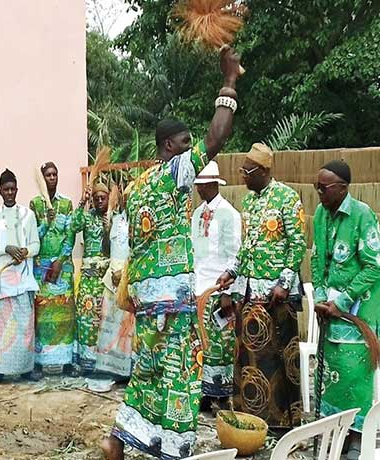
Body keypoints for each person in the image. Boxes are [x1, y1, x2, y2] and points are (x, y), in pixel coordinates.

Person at [101, 47, 242, 460]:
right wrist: (229, 84)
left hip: (147, 301)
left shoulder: (139, 184)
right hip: (170, 302)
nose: (190, 149)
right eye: (183, 142)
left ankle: (119, 437)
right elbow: (217, 138)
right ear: (168, 145)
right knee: (182, 373)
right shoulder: (172, 172)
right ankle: (174, 449)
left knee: (149, 370)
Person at [217, 142, 306, 431]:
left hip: (276, 297)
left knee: (278, 361)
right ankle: (253, 418)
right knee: (251, 360)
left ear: (263, 171)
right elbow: (247, 247)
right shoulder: (250, 202)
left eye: (247, 171)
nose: (242, 176)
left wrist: (284, 282)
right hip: (250, 293)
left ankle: (281, 422)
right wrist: (232, 272)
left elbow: (298, 244)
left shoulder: (287, 198)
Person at [311, 160, 380, 459]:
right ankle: (333, 431)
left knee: (355, 377)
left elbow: (373, 267)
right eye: (317, 187)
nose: (319, 192)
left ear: (342, 188)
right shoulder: (320, 214)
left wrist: (341, 301)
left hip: (358, 312)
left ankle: (356, 436)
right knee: (331, 374)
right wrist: (318, 294)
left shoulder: (362, 215)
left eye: (324, 187)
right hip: (329, 310)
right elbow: (317, 259)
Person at [190, 161, 241, 406]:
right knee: (202, 341)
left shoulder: (230, 214)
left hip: (219, 286)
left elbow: (235, 253)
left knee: (221, 343)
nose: (199, 189)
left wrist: (228, 291)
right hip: (199, 286)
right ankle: (204, 391)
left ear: (212, 184)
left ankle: (220, 394)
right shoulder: (197, 214)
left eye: (202, 185)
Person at [0, 169, 40, 383]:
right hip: (1, 283)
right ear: (0, 191)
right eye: (6, 190)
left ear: (17, 190)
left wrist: (25, 252)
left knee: (25, 325)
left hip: (23, 280)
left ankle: (25, 368)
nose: (10, 193)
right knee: (1, 327)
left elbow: (36, 244)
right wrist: (6, 248)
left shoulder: (28, 215)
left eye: (13, 189)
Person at [29, 162, 76, 376]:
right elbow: (32, 236)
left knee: (64, 314)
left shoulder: (66, 204)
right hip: (41, 268)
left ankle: (66, 361)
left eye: (54, 174)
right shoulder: (35, 205)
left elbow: (71, 233)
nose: (51, 178)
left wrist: (61, 259)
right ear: (43, 178)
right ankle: (39, 362)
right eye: (47, 175)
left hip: (63, 267)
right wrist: (45, 224)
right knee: (42, 315)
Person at [93, 183, 134, 383]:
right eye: (124, 198)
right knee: (109, 323)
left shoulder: (137, 221)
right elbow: (107, 249)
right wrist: (107, 228)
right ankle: (110, 367)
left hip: (128, 276)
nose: (126, 201)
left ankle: (126, 370)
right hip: (111, 277)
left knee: (126, 326)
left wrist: (125, 273)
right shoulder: (115, 219)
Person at [70, 182, 112, 374]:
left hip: (107, 279)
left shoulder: (115, 218)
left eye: (103, 198)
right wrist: (82, 202)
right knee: (86, 319)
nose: (100, 201)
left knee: (105, 321)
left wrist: (109, 229)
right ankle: (86, 362)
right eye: (96, 199)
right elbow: (72, 226)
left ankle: (105, 363)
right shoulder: (87, 218)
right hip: (88, 278)